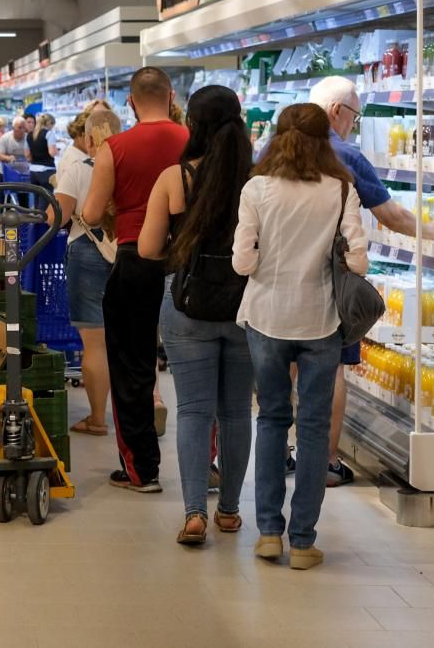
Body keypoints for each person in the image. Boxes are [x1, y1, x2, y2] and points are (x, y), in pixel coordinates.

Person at [233, 103, 367, 569]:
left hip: (267, 317)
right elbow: (359, 262)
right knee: (311, 429)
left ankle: (269, 532)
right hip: (322, 320)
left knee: (271, 419)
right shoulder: (340, 189)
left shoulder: (256, 189)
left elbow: (242, 263)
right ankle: (303, 541)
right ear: (325, 140)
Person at [308, 76, 434, 487]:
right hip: (334, 280)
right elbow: (391, 215)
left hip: (280, 281)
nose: (355, 123)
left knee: (285, 369)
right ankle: (327, 461)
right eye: (355, 114)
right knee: (331, 364)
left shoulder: (273, 151)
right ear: (337, 111)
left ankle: (282, 452)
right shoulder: (344, 155)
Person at [139, 86, 254, 545]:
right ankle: (229, 510)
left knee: (193, 412)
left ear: (194, 126)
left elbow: (147, 248)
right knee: (236, 413)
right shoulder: (258, 178)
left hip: (188, 306)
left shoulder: (176, 177)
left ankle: (193, 514)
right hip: (246, 308)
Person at [82, 67, 189, 493]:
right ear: (171, 95)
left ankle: (142, 469)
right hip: (186, 261)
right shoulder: (191, 143)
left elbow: (90, 213)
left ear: (130, 102)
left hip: (134, 260)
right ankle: (210, 467)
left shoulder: (114, 147)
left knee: (131, 366)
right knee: (198, 368)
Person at [54, 109, 122, 437]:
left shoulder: (79, 170)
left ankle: (97, 418)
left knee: (95, 344)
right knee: (129, 340)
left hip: (87, 253)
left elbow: (58, 218)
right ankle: (141, 409)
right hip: (128, 254)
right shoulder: (133, 167)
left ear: (89, 138)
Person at [26, 113, 58, 186]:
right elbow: (52, 153)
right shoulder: (49, 134)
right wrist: (57, 151)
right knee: (46, 196)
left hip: (33, 171)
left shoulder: (29, 135)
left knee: (36, 196)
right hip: (47, 171)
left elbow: (27, 155)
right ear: (50, 123)